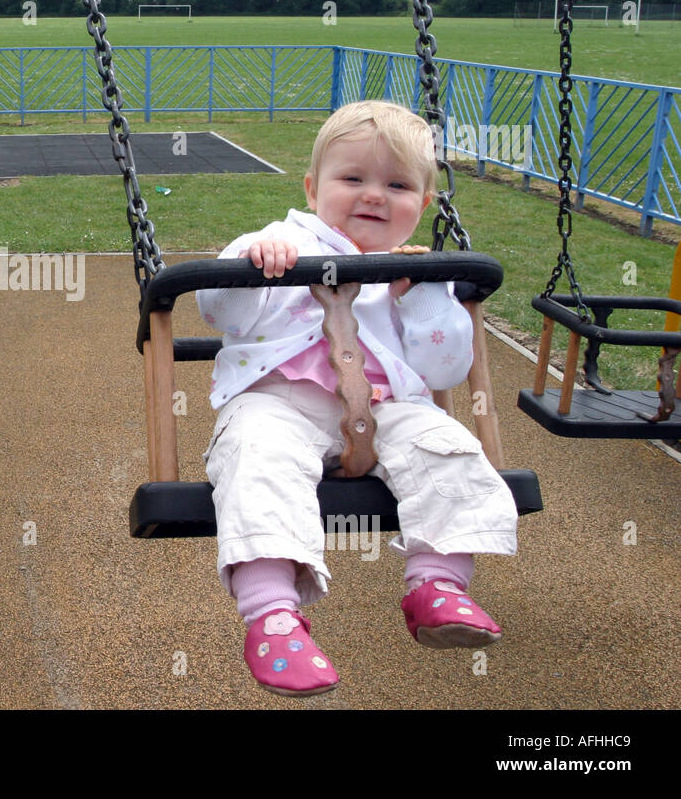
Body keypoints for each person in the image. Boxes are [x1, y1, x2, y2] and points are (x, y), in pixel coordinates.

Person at [196, 100, 518, 697]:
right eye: (353, 179)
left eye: (396, 185)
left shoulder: (418, 273)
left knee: (449, 445)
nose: (373, 195)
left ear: (422, 206)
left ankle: (439, 586)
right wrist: (248, 268)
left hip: (389, 406)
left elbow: (447, 366)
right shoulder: (277, 241)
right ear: (314, 187)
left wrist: (421, 299)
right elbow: (217, 312)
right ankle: (272, 616)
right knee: (256, 457)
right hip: (281, 401)